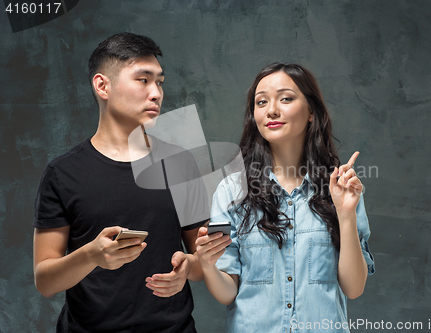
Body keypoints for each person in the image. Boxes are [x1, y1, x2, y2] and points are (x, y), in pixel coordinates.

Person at [33, 32, 208, 333]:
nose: (156, 93)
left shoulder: (181, 164)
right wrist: (91, 255)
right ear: (103, 85)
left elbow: (206, 260)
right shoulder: (62, 174)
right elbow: (45, 281)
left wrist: (188, 269)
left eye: (159, 82)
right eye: (143, 80)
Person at [195, 63, 375, 332]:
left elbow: (354, 288)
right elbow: (227, 293)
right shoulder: (232, 191)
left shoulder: (340, 189)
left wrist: (346, 214)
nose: (272, 110)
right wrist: (208, 266)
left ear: (312, 112)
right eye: (261, 102)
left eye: (286, 98)